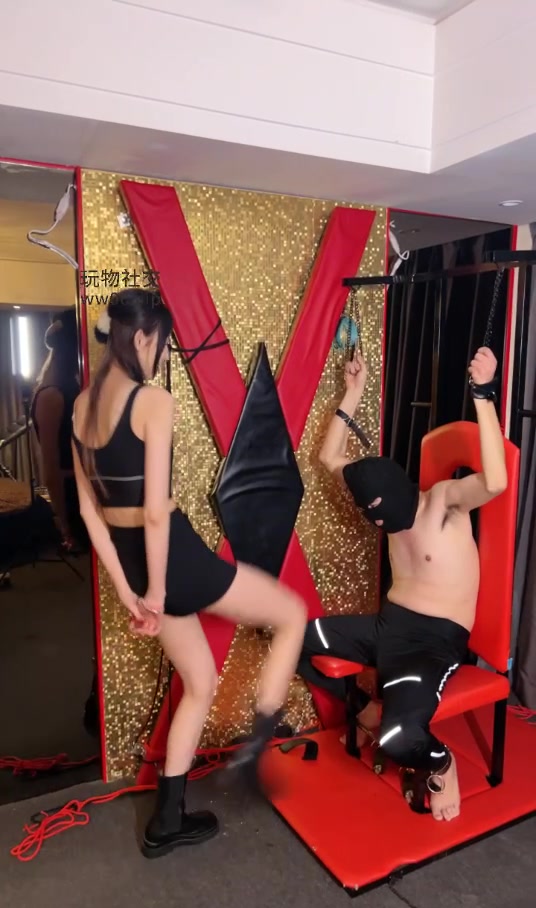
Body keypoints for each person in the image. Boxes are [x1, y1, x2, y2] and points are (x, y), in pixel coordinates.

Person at [71, 288, 307, 859]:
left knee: (199, 682)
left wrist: (130, 591)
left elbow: (89, 512)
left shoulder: (81, 406)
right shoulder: (153, 401)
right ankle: (258, 744)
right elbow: (156, 511)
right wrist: (157, 591)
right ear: (143, 337)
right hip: (171, 559)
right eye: (163, 345)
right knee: (292, 613)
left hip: (135, 563)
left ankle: (167, 820)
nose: (163, 357)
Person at [297, 346, 507, 822]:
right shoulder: (378, 497)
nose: (376, 522)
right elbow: (330, 457)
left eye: (379, 513)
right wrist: (353, 392)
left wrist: (483, 394)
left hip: (432, 644)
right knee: (290, 636)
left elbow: (495, 482)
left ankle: (441, 762)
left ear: (399, 494)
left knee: (398, 739)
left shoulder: (444, 503)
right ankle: (364, 712)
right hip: (386, 627)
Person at [32, 307, 87, 550]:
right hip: (71, 494)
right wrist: (63, 522)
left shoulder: (69, 387)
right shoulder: (52, 394)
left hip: (84, 487)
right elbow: (51, 467)